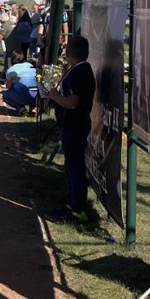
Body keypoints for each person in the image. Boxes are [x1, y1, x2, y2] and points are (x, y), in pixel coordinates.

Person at [46, 35, 95, 223]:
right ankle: (72, 202)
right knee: (71, 166)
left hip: (75, 126)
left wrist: (55, 96)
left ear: (68, 53)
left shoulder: (77, 73)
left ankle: (77, 208)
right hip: (74, 125)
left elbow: (72, 103)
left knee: (75, 168)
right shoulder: (81, 69)